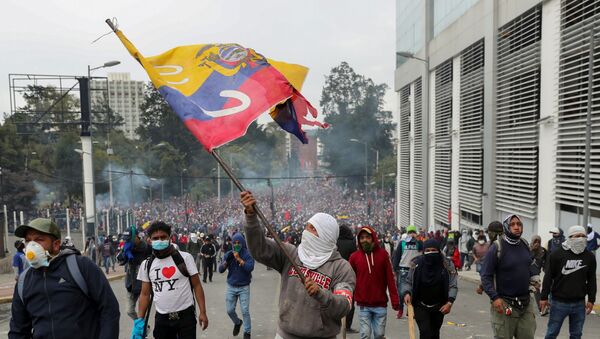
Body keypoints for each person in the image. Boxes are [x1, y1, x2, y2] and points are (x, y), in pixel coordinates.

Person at [241, 191, 356, 339]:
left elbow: (344, 305)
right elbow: (259, 249)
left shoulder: (341, 268)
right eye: (307, 227)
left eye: (312, 229)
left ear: (326, 235)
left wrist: (321, 295)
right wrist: (251, 217)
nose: (306, 232)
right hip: (285, 335)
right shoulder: (291, 254)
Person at [9, 218, 120, 338]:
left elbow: (109, 310)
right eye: (28, 241)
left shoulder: (82, 267)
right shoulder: (23, 282)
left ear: (56, 244)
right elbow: (18, 330)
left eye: (38, 240)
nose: (31, 246)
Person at [134, 221, 208, 339]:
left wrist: (203, 312)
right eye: (156, 238)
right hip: (162, 320)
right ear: (150, 240)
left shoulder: (185, 258)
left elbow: (197, 286)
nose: (160, 240)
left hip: (186, 317)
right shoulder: (146, 265)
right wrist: (139, 322)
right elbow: (144, 294)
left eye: (163, 237)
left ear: (170, 238)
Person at [480, 214, 536, 339]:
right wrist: (495, 298)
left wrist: (535, 280)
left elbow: (529, 266)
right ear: (506, 226)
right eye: (512, 224)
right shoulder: (496, 247)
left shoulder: (524, 244)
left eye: (519, 224)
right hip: (504, 304)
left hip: (525, 304)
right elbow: (485, 276)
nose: (516, 227)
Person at [540, 225, 596, 339]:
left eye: (583, 236)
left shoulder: (589, 256)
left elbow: (591, 279)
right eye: (577, 236)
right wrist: (544, 297)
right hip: (558, 303)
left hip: (579, 304)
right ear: (570, 237)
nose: (580, 238)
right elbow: (548, 277)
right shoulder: (556, 254)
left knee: (576, 335)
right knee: (551, 333)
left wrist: (591, 299)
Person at [349, 226, 400, 339]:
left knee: (379, 335)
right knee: (365, 335)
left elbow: (390, 279)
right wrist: (345, 298)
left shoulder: (383, 255)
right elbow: (349, 279)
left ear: (373, 238)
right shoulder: (354, 257)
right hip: (363, 305)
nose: (364, 240)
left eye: (367, 237)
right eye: (362, 238)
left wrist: (395, 300)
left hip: (380, 304)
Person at [403, 239, 458, 339]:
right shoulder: (416, 264)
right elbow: (408, 281)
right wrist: (407, 293)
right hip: (420, 304)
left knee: (434, 333)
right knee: (425, 332)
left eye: (433, 250)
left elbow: (453, 285)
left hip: (439, 306)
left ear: (439, 250)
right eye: (427, 250)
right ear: (423, 251)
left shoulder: (447, 265)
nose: (431, 253)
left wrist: (449, 302)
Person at [218, 233, 255, 339]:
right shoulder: (229, 254)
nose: (237, 244)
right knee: (229, 310)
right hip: (231, 286)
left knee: (245, 310)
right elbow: (220, 270)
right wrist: (226, 262)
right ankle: (237, 322)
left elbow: (250, 268)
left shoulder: (248, 254)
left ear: (243, 243)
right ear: (232, 243)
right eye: (235, 243)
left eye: (239, 243)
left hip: (244, 286)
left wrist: (239, 259)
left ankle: (247, 332)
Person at [392, 224, 423, 318]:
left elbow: (423, 248)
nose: (411, 234)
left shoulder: (419, 243)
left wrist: (417, 239)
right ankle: (401, 309)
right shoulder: (402, 243)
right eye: (410, 232)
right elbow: (397, 257)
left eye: (413, 232)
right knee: (402, 291)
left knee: (414, 291)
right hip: (403, 270)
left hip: (415, 270)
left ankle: (410, 309)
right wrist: (394, 269)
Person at [122, 226, 151, 320]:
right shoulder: (127, 247)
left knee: (142, 313)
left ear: (136, 237)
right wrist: (124, 254)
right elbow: (121, 259)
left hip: (144, 284)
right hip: (131, 284)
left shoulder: (147, 248)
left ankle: (141, 330)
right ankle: (143, 328)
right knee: (129, 311)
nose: (127, 242)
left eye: (129, 239)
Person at [336, 224, 358, 333]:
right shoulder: (351, 243)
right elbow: (355, 259)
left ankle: (336, 324)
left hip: (335, 274)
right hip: (349, 274)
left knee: (334, 299)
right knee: (350, 301)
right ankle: (347, 326)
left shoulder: (335, 243)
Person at [529, 235, 547, 314]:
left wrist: (546, 270)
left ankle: (541, 309)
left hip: (535, 274)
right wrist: (532, 250)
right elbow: (526, 259)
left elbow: (546, 262)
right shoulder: (528, 249)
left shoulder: (543, 251)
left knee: (536, 291)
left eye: (538, 242)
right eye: (535, 241)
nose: (537, 243)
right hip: (525, 273)